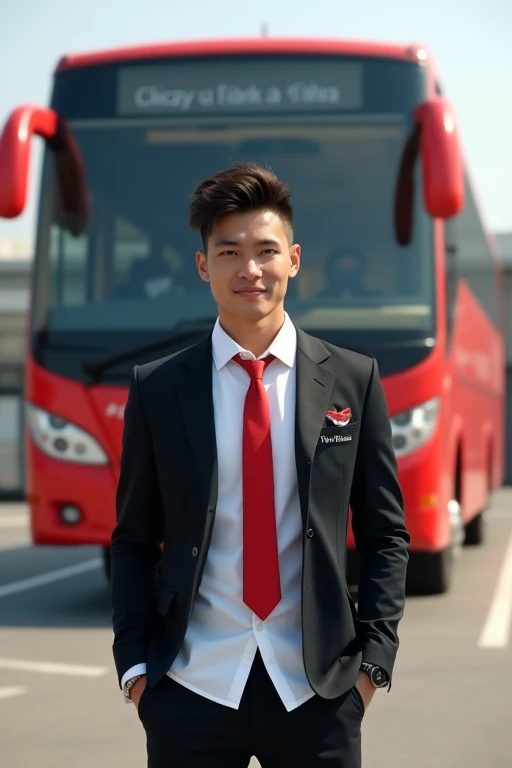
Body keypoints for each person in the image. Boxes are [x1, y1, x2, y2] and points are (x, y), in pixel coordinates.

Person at [110, 162, 410, 767]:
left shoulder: (352, 379)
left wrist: (373, 665)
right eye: (229, 251)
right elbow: (134, 538)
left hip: (319, 690)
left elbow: (385, 533)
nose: (250, 269)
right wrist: (136, 669)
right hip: (190, 687)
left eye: (266, 250)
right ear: (203, 266)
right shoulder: (160, 389)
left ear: (293, 260)